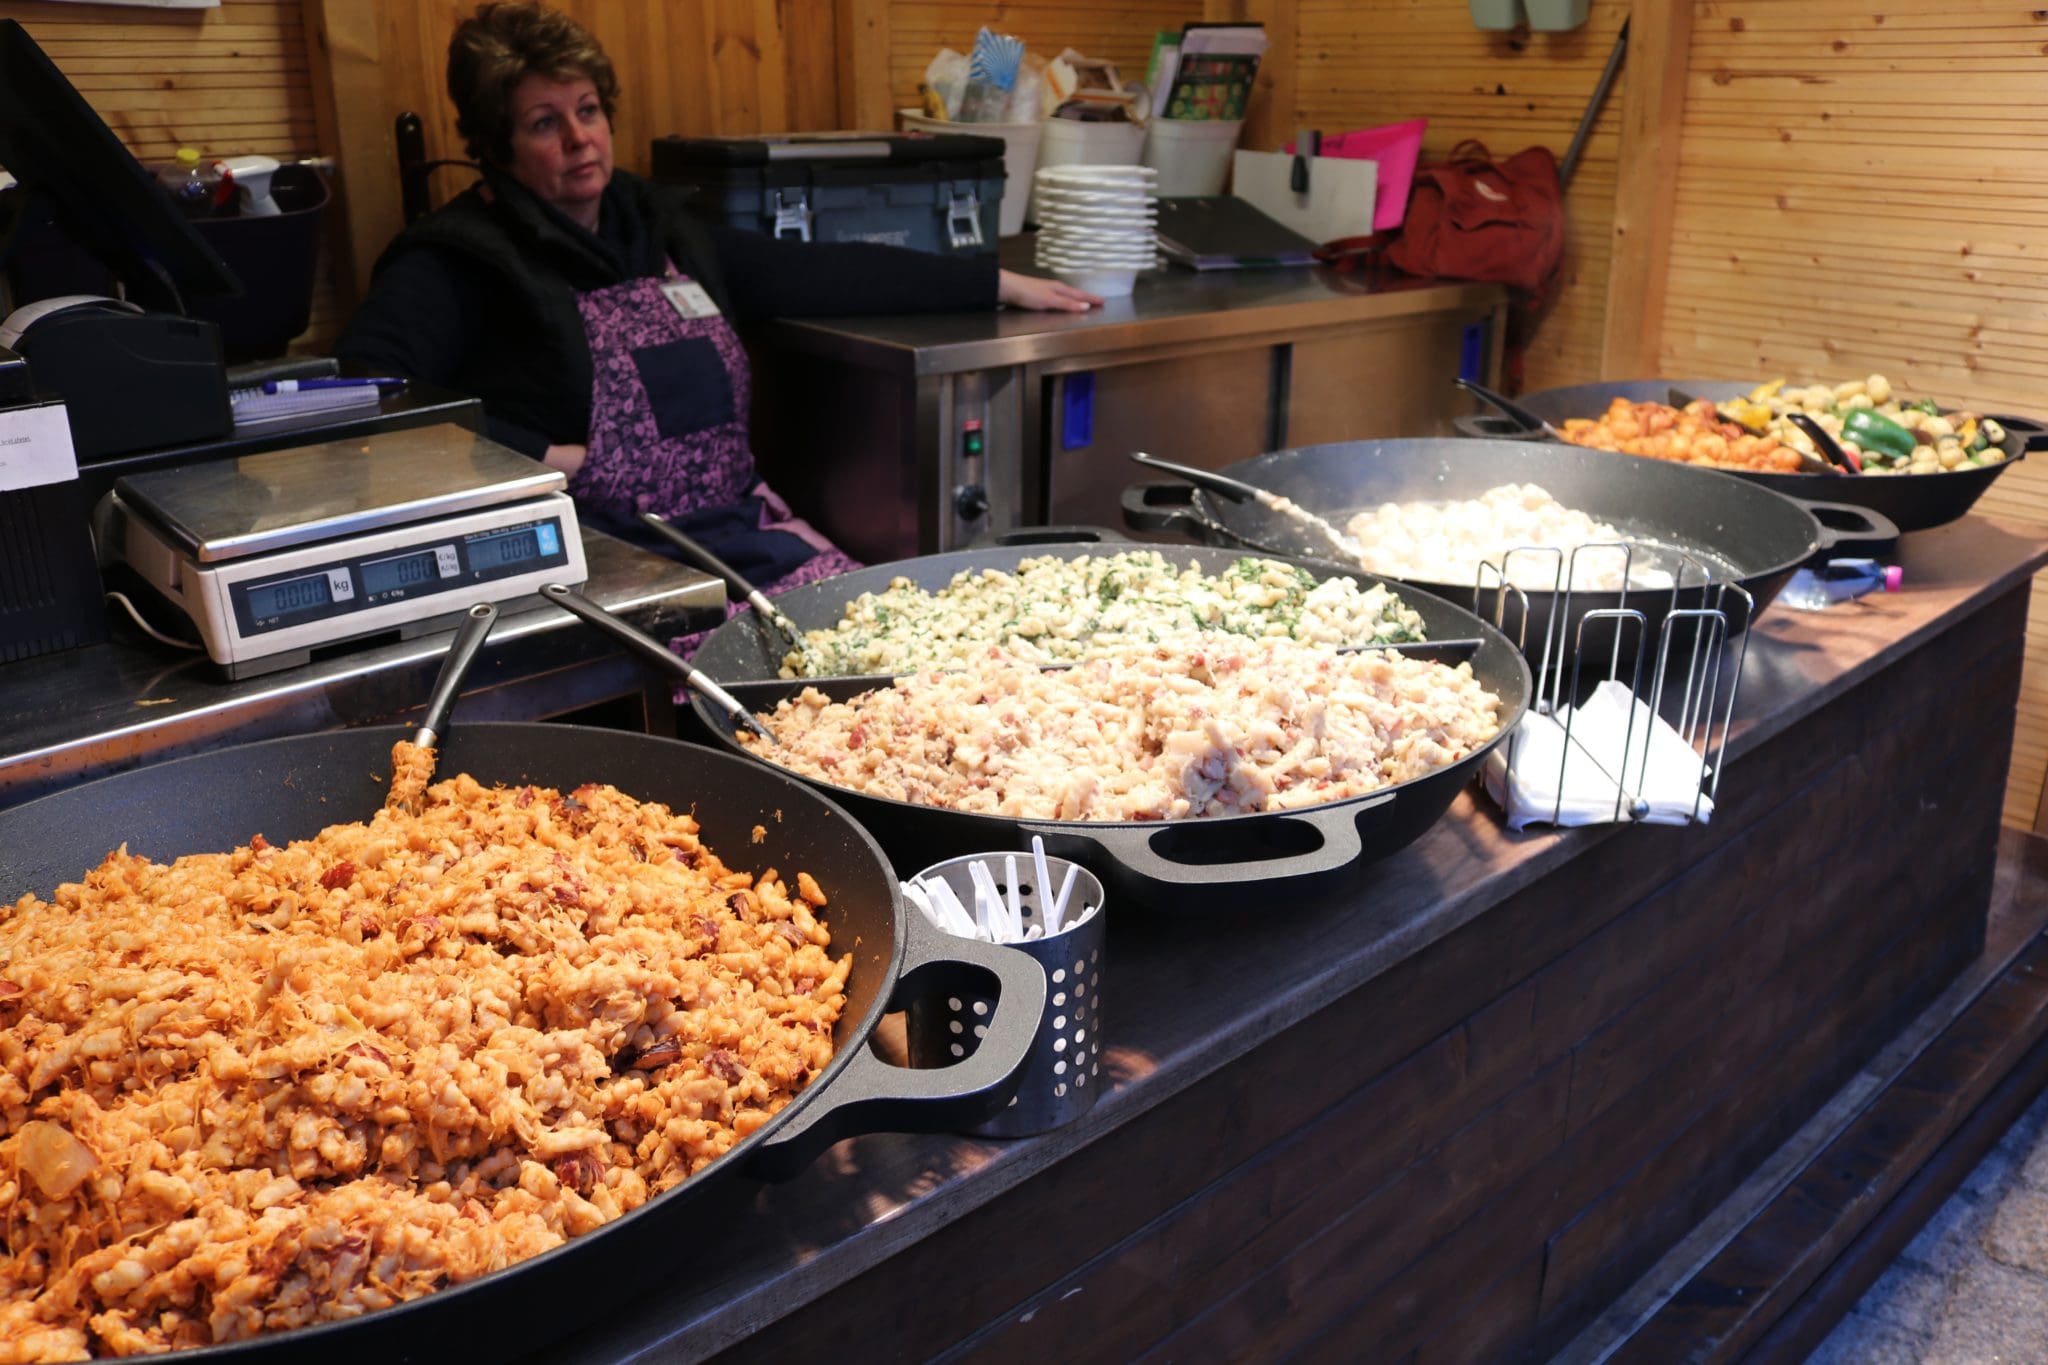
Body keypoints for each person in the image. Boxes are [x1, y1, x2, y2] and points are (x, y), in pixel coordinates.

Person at [336, 0, 1098, 606]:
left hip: (738, 529)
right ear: (495, 149)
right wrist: (544, 459)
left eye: (589, 110)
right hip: (602, 557)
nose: (579, 138)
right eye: (544, 123)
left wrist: (995, 282)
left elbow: (824, 271)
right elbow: (370, 386)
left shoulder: (660, 227)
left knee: (875, 627)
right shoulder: (461, 255)